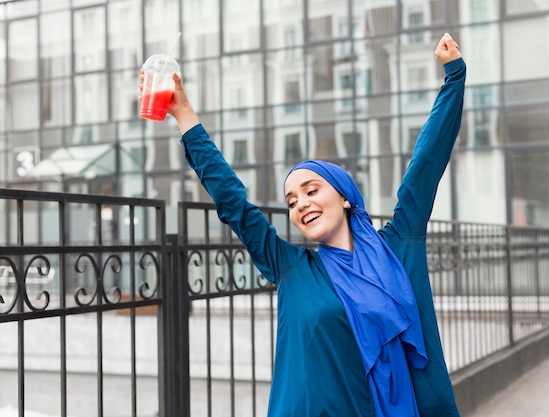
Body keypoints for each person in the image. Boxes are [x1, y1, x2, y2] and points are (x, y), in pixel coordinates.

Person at [142, 32, 465, 417]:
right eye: (292, 200)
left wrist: (454, 77)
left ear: (345, 196)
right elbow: (234, 202)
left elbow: (425, 164)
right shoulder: (293, 268)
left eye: (312, 190)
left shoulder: (397, 247)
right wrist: (184, 115)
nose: (301, 204)